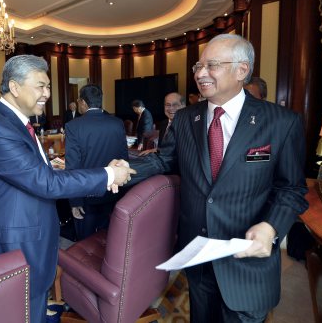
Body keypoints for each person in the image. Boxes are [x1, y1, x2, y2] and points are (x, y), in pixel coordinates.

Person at [129, 34, 308, 323]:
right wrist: (123, 169)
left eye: (212, 65)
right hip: (198, 256)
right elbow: (165, 159)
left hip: (246, 263)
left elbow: (292, 188)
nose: (200, 73)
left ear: (241, 70)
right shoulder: (187, 118)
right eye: (198, 66)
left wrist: (271, 226)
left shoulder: (282, 122)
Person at [0, 55, 135, 323]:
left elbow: (36, 175)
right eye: (40, 86)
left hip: (33, 231)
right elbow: (44, 183)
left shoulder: (16, 122)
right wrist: (107, 174)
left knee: (32, 302)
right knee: (18, 311)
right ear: (14, 87)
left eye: (48, 87)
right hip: (16, 240)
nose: (47, 94)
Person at [65, 84, 129, 240]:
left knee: (85, 240)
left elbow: (73, 167)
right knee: (110, 239)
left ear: (83, 103)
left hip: (87, 195)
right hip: (113, 194)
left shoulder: (73, 126)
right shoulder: (117, 123)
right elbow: (123, 160)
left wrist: (74, 201)